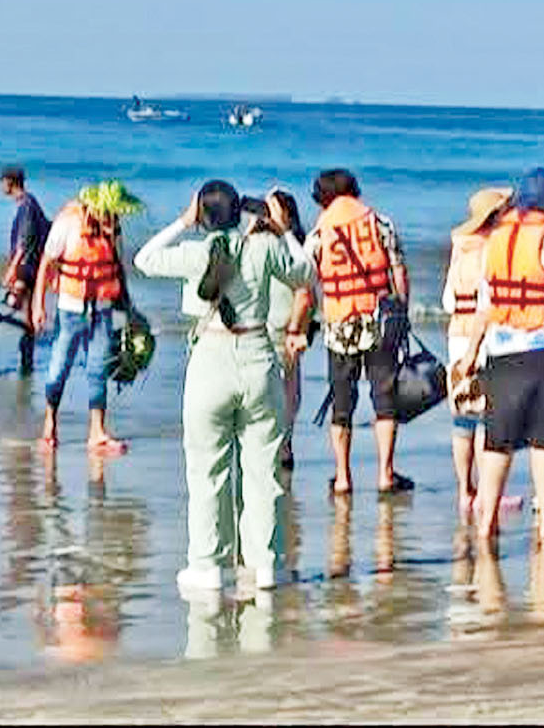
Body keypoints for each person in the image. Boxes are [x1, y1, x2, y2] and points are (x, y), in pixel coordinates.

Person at [134, 181, 310, 595]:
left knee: (208, 469)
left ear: (203, 215)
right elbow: (306, 272)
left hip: (210, 357)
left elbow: (144, 258)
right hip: (257, 354)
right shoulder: (263, 248)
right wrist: (282, 229)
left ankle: (208, 565)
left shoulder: (198, 252)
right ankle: (265, 565)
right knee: (263, 470)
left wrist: (182, 221)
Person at [458, 168, 544, 541]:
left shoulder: (495, 241)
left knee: (498, 439)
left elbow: (485, 305)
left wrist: (472, 352)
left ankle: (487, 519)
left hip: (501, 355)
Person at [296, 169, 412, 495]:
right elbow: (399, 271)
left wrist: (300, 326)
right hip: (378, 318)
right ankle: (385, 473)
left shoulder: (318, 235)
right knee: (384, 397)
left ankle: (343, 476)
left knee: (342, 400)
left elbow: (306, 286)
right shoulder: (380, 224)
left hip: (339, 323)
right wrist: (402, 310)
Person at [32, 181, 141, 453]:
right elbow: (46, 263)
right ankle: (49, 426)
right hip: (70, 308)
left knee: (98, 368)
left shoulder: (113, 228)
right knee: (59, 367)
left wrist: (128, 308)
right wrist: (38, 305)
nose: (112, 218)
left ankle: (97, 432)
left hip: (102, 308)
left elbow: (117, 268)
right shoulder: (68, 223)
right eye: (108, 212)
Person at [444, 186, 513, 515]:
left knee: (462, 416)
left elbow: (447, 300)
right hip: (484, 337)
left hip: (456, 333)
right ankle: (487, 493)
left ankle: (464, 491)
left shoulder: (460, 248)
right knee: (488, 415)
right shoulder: (493, 248)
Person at [262, 189, 315, 471]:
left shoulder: (287, 248)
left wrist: (295, 329)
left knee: (280, 394)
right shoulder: (290, 245)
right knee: (287, 392)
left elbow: (304, 295)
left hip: (281, 330)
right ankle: (283, 448)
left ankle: (280, 450)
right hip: (280, 329)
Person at [0, 166, 51, 374]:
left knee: (11, 305)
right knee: (24, 314)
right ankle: (26, 360)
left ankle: (17, 354)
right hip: (31, 266)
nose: (0, 186)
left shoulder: (27, 205)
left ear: (10, 182)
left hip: (26, 267)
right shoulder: (28, 203)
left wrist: (12, 269)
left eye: (2, 181)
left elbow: (24, 241)